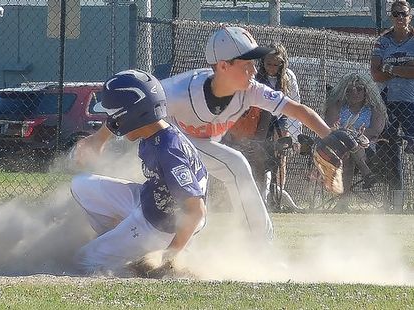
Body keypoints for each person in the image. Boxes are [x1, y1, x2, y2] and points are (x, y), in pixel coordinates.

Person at [160, 26, 331, 239]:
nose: (253, 70)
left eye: (253, 63)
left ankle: (256, 248)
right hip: (165, 143)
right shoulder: (179, 91)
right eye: (246, 64)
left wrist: (329, 135)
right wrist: (104, 140)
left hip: (199, 148)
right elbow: (135, 103)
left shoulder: (251, 90)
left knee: (198, 212)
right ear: (223, 66)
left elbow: (296, 109)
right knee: (234, 165)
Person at [71, 69, 208, 274]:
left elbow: (196, 211)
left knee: (83, 260)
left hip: (159, 226)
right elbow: (126, 115)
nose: (112, 121)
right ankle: (120, 240)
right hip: (151, 201)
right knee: (81, 185)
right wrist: (97, 140)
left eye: (114, 115)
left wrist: (170, 254)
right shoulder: (153, 129)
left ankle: (130, 257)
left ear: (132, 115)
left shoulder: (168, 150)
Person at [223, 42, 301, 211]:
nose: (272, 68)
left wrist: (294, 137)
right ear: (263, 62)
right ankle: (258, 196)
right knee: (259, 158)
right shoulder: (256, 76)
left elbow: (295, 105)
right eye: (268, 64)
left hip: (280, 119)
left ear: (282, 63)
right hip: (258, 119)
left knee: (280, 159)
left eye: (276, 64)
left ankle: (276, 197)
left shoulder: (288, 77)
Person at [370, 0, 414, 211]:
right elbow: (376, 74)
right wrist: (402, 68)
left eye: (403, 14)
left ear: (410, 15)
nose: (400, 18)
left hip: (411, 102)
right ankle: (396, 202)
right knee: (390, 149)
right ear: (391, 17)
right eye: (396, 14)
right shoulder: (382, 42)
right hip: (388, 102)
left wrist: (390, 67)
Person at [324, 73, 387, 211]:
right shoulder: (337, 107)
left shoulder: (374, 109)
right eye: (349, 90)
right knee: (348, 145)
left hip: (367, 147)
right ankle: (366, 173)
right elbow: (329, 128)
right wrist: (350, 132)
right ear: (344, 92)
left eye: (359, 89)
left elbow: (375, 131)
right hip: (338, 148)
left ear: (366, 91)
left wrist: (351, 131)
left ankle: (343, 201)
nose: (355, 93)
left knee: (351, 144)